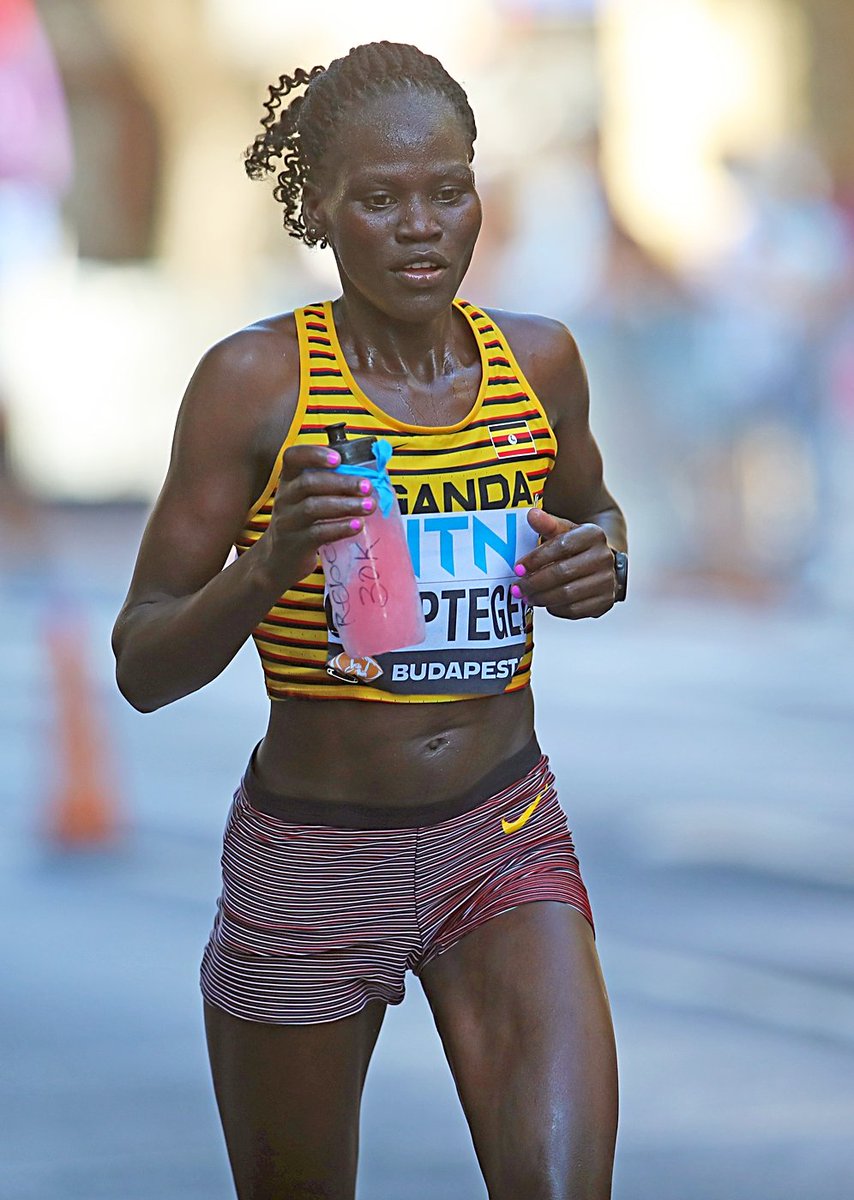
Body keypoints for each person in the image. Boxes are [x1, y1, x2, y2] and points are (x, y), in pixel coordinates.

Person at [112, 41, 627, 1200]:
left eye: (448, 191)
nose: (420, 226)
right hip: (312, 860)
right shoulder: (255, 383)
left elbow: (596, 515)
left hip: (500, 833)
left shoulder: (538, 363)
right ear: (320, 210)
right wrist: (266, 569)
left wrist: (601, 561)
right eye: (379, 200)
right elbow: (141, 662)